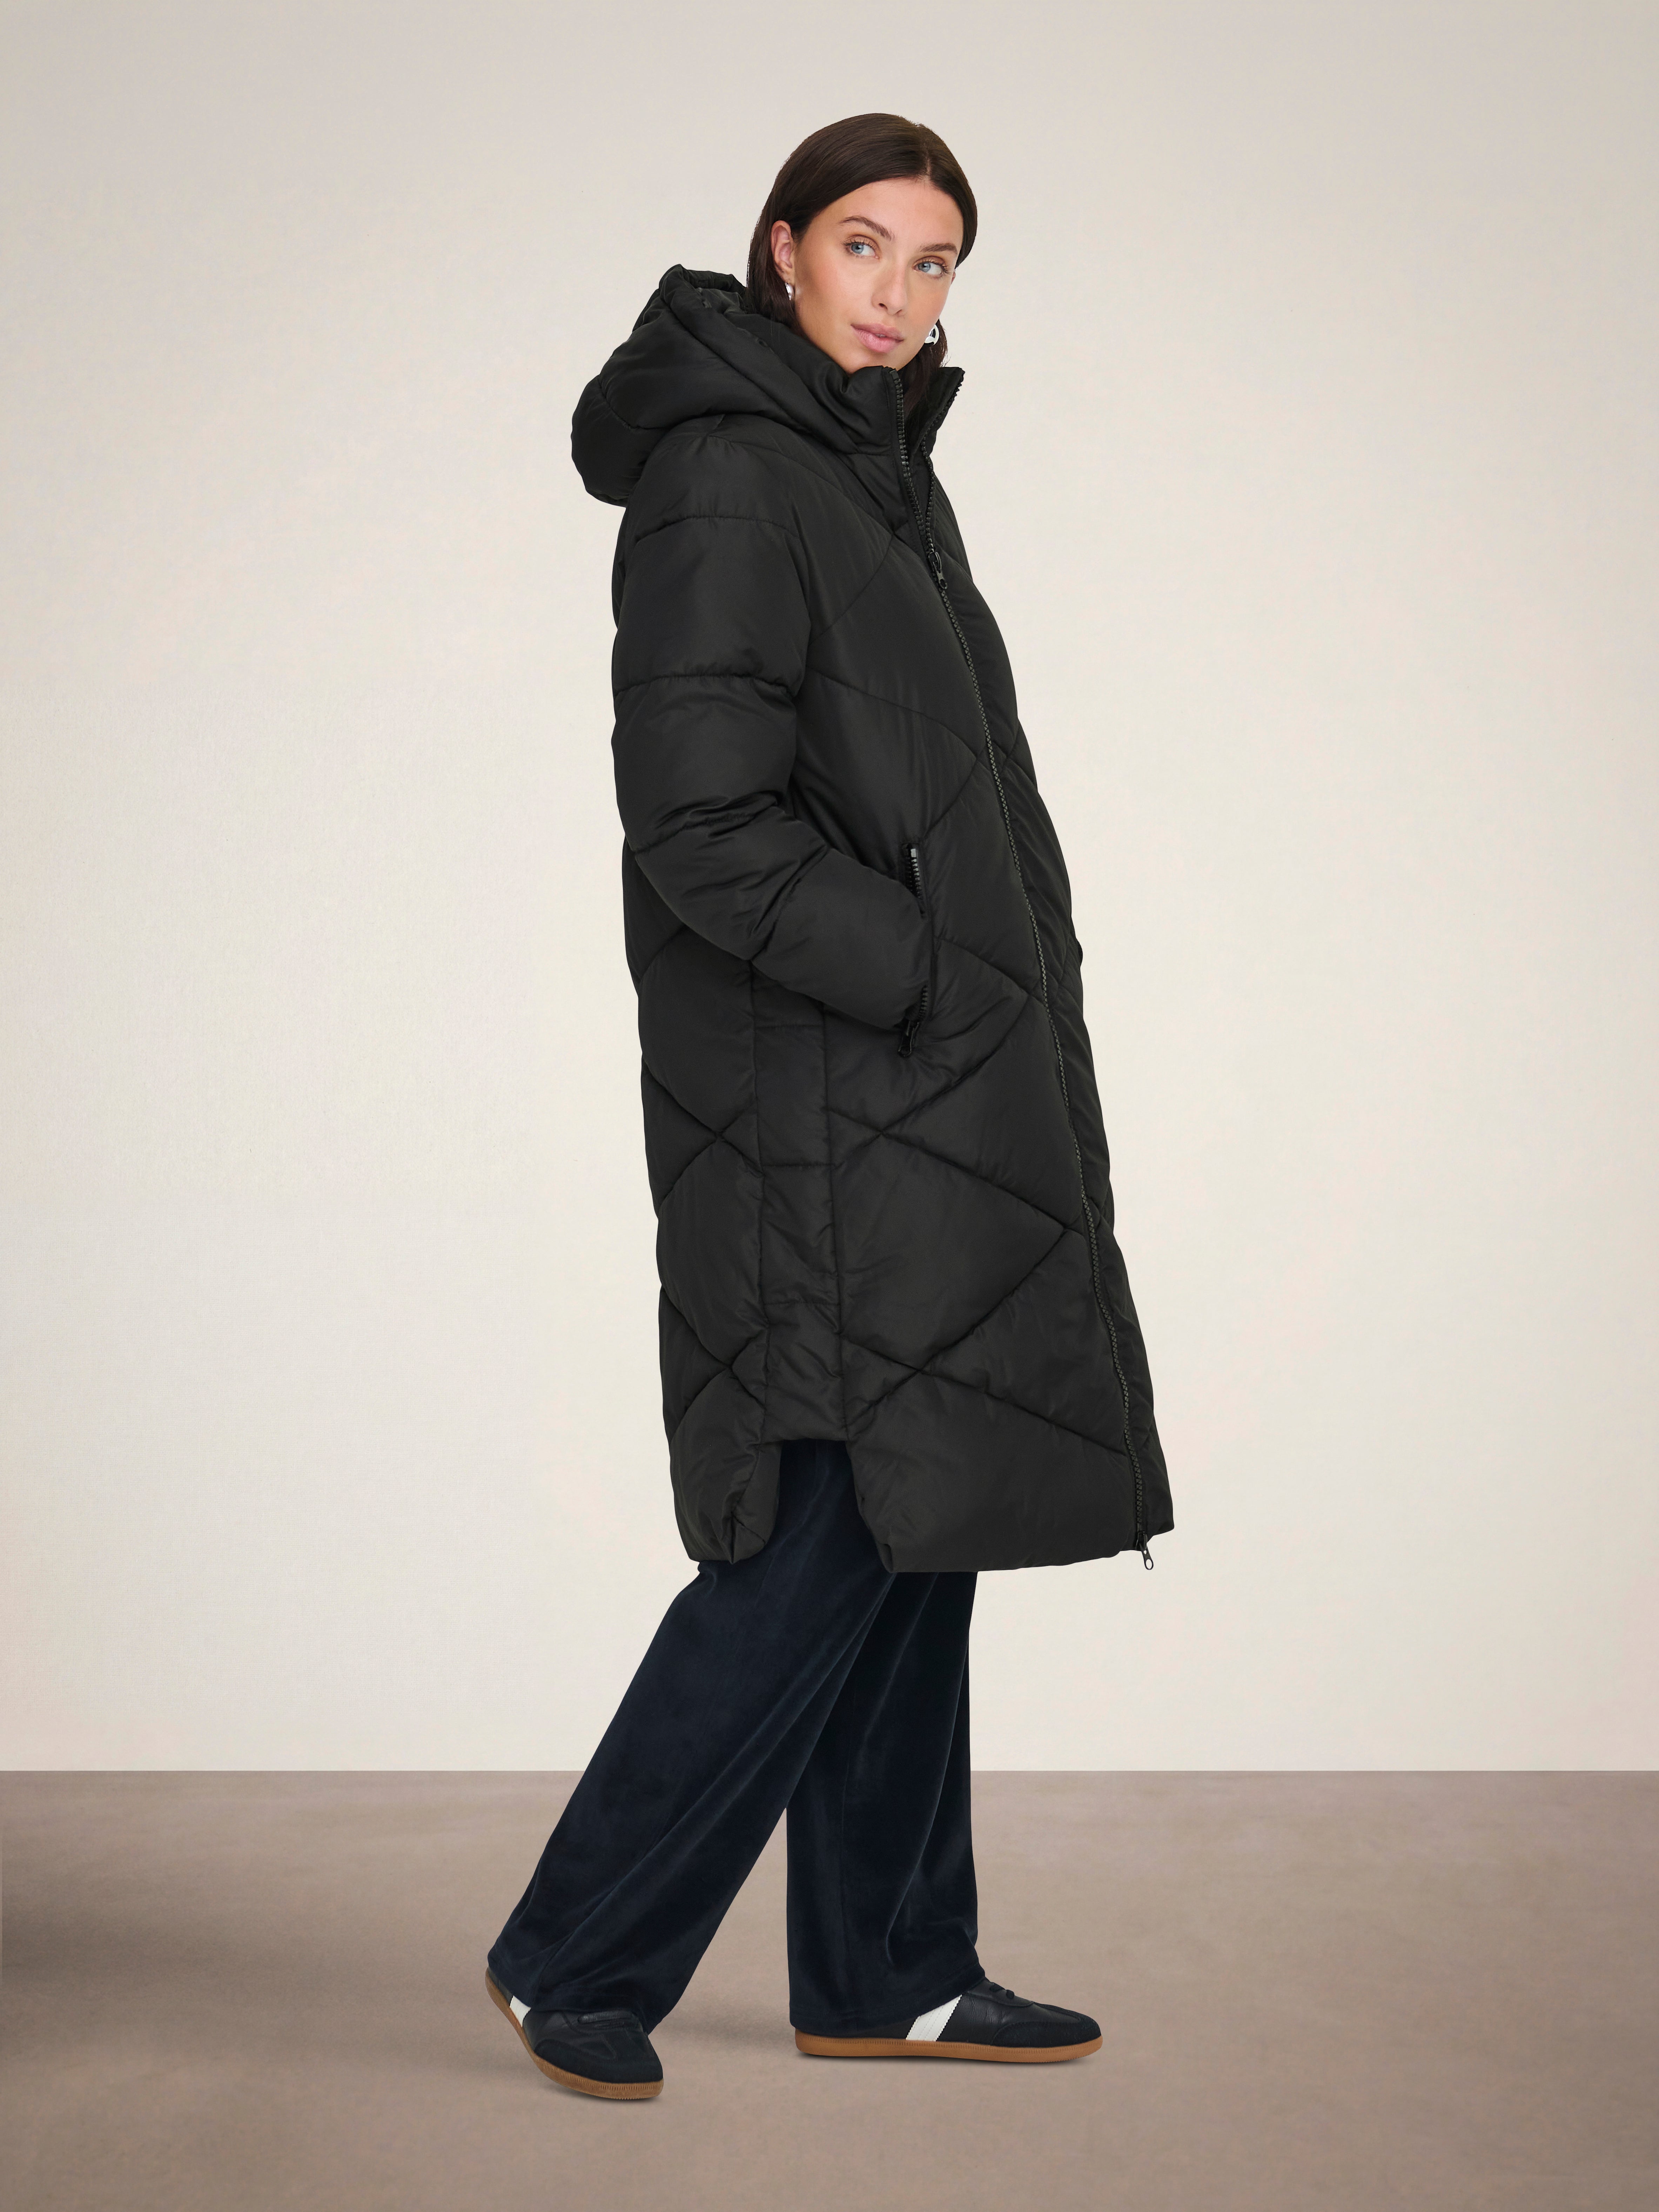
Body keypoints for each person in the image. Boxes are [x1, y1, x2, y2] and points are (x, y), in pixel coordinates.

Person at [485, 113, 1174, 2103]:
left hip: (914, 1097)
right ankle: (573, 1949)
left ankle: (890, 1965)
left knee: (915, 1509)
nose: (899, 291)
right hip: (821, 1105)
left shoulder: (871, 473)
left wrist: (967, 999)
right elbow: (700, 826)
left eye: (935, 260)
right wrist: (927, 972)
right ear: (781, 246)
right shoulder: (729, 473)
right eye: (865, 245)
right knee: (817, 1535)